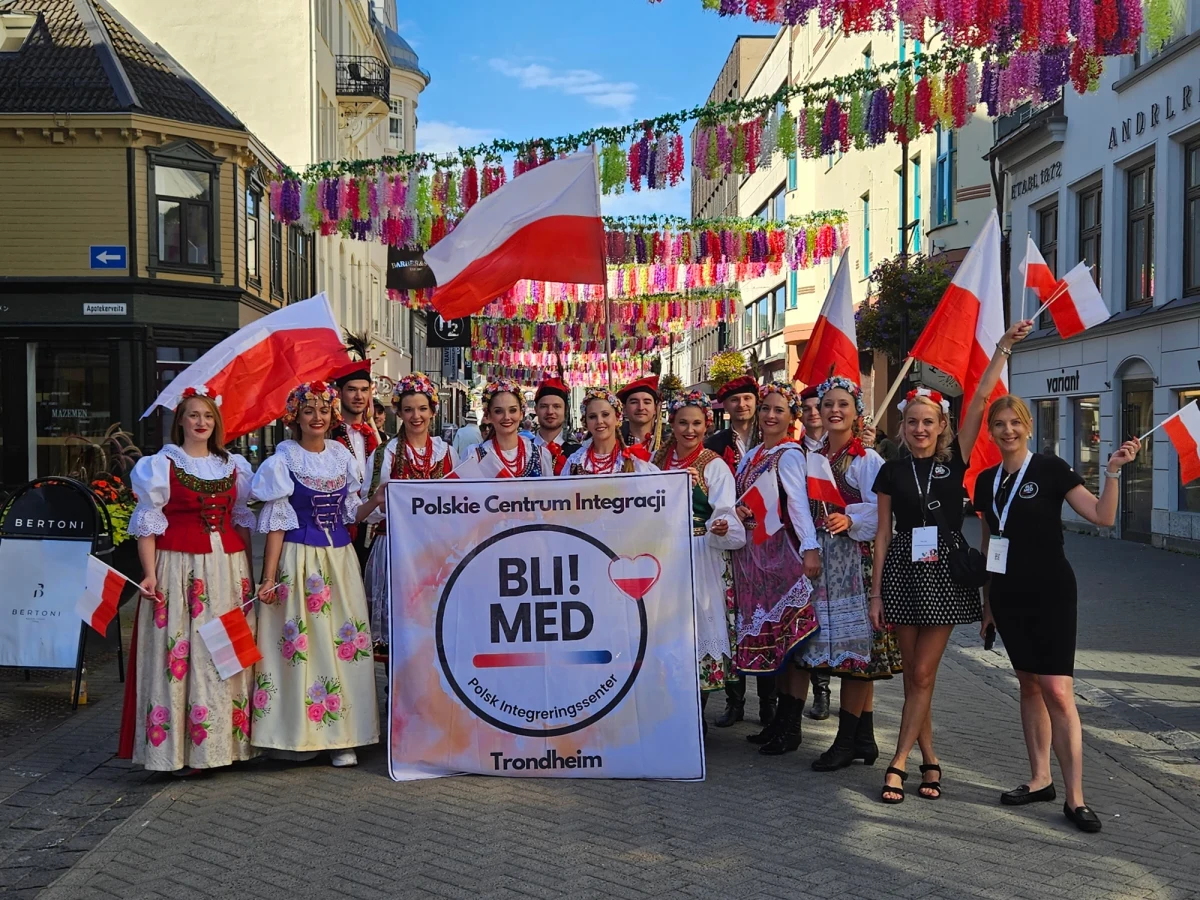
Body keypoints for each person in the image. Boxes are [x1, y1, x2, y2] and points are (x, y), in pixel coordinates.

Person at [870, 319, 1032, 804]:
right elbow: (882, 534)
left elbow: (980, 399)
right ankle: (931, 759)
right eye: (912, 422)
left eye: (928, 422)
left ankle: (897, 762)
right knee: (914, 675)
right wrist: (875, 593)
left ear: (941, 426)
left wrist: (1002, 348)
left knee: (923, 673)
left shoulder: (953, 460)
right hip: (902, 571)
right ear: (903, 427)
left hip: (944, 571)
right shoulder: (890, 470)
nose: (920, 429)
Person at [975, 395, 1140, 833]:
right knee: (1028, 685)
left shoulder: (1051, 468)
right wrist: (988, 605)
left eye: (1015, 423)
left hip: (1051, 593)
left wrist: (1112, 471)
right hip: (1009, 596)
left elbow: (1103, 516)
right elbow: (991, 545)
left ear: (1028, 426)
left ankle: (1075, 798)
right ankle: (1040, 779)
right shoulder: (987, 480)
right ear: (990, 431)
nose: (1008, 431)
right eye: (999, 424)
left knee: (1058, 691)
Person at [124, 389, 258, 774]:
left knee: (225, 651)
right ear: (180, 420)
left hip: (228, 568)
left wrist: (250, 574)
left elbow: (241, 521)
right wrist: (149, 573)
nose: (201, 422)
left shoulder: (233, 466)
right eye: (194, 415)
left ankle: (225, 748)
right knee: (182, 650)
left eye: (208, 416)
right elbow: (148, 523)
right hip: (179, 567)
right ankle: (180, 752)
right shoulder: (160, 465)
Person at [250, 381, 382, 767]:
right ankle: (300, 736)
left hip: (340, 561)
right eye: (309, 411)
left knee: (343, 641)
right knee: (303, 645)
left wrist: (375, 500)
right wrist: (268, 577)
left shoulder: (341, 457)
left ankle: (344, 736)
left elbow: (350, 513)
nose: (317, 417)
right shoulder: (283, 460)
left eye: (324, 410)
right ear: (296, 417)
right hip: (299, 560)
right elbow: (277, 525)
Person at [800, 377, 902, 772]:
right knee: (846, 653)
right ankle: (865, 739)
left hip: (857, 564)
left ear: (856, 412)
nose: (834, 411)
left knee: (856, 657)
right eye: (827, 404)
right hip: (828, 567)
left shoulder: (866, 459)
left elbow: (883, 515)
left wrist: (851, 519)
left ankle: (845, 742)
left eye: (843, 404)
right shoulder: (815, 456)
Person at [732, 383, 822, 755]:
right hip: (753, 556)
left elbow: (797, 504)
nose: (770, 415)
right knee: (777, 644)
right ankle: (779, 723)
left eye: (779, 410)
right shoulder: (754, 454)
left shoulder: (789, 454)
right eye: (766, 408)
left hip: (780, 553)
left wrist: (810, 548)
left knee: (792, 642)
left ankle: (791, 726)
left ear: (791, 418)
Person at [653, 391, 745, 734]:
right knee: (667, 630)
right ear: (672, 424)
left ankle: (696, 716)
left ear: (707, 425)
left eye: (696, 423)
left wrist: (720, 524)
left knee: (698, 629)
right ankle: (671, 711)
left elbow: (725, 511)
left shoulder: (713, 464)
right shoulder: (659, 459)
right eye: (682, 423)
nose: (689, 430)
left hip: (699, 551)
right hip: (664, 553)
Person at [362, 374, 456, 655]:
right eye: (409, 409)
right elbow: (367, 507)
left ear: (433, 410)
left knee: (434, 624)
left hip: (436, 548)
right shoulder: (386, 453)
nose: (416, 416)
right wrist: (387, 504)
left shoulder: (446, 452)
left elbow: (459, 501)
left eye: (422, 409)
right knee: (399, 626)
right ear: (399, 412)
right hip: (396, 548)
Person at [705, 374, 778, 729]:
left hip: (767, 539)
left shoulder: (772, 438)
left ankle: (769, 705)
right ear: (726, 407)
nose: (742, 405)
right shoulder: (715, 443)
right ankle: (736, 701)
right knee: (735, 620)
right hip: (728, 539)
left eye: (748, 398)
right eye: (735, 400)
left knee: (766, 620)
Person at [798, 384, 832, 719]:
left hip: (837, 541)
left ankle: (826, 688)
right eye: (805, 408)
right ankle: (814, 689)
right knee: (809, 616)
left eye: (816, 407)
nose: (812, 414)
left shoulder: (844, 447)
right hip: (801, 542)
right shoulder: (795, 451)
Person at [328, 361, 380, 570]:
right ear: (339, 393)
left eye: (364, 390)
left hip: (372, 525)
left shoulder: (377, 437)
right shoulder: (328, 436)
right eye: (352, 390)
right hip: (338, 525)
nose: (359, 396)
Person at [469, 379, 554, 477]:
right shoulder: (475, 456)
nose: (506, 417)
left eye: (512, 410)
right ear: (489, 416)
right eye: (498, 411)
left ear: (521, 414)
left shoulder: (540, 455)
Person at [563, 388, 656, 475]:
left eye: (605, 414)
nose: (599, 421)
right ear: (586, 422)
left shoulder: (634, 461)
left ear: (617, 418)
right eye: (592, 417)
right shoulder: (575, 461)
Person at [533, 377, 581, 475]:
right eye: (544, 406)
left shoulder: (578, 453)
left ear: (565, 410)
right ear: (536, 410)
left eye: (556, 406)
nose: (550, 411)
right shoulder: (523, 450)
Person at [617, 375, 667, 458]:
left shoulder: (668, 443)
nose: (640, 408)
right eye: (634, 402)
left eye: (647, 402)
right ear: (624, 409)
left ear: (655, 409)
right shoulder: (614, 443)